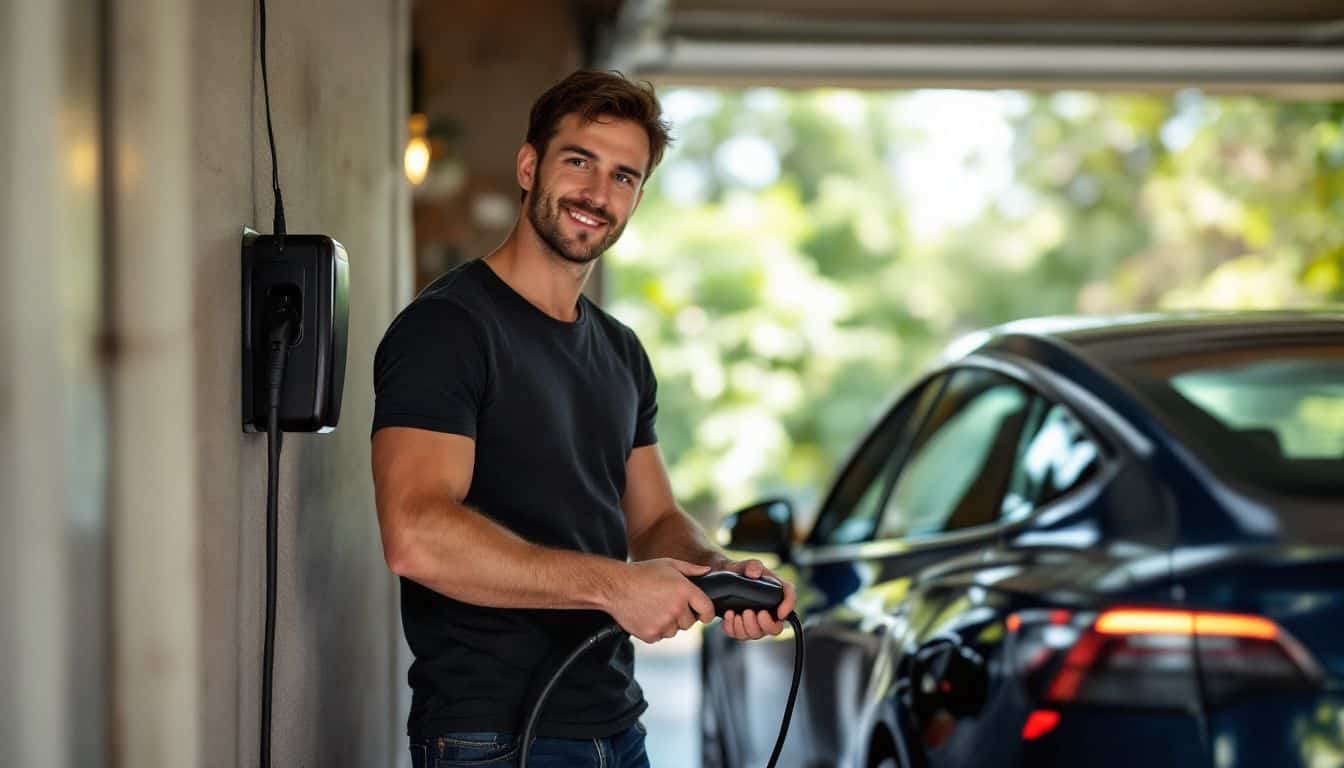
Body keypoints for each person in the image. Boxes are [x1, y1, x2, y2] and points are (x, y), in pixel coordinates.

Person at [370, 69, 797, 768]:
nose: (599, 195)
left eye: (625, 177)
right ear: (529, 166)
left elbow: (654, 520)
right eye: (580, 163)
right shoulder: (447, 329)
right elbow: (415, 535)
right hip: (494, 737)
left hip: (615, 724)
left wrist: (718, 574)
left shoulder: (621, 352)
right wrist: (614, 585)